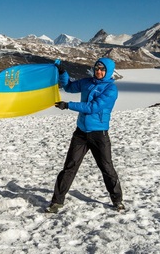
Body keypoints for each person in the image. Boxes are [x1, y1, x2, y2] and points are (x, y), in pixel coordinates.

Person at [46, 57, 124, 213]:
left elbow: (93, 107)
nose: (99, 72)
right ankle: (57, 202)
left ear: (108, 71)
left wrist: (68, 105)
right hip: (81, 132)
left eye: (102, 69)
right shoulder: (87, 82)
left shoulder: (111, 89)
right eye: (97, 69)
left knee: (107, 168)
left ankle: (117, 200)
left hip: (99, 134)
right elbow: (68, 87)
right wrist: (63, 72)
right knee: (69, 167)